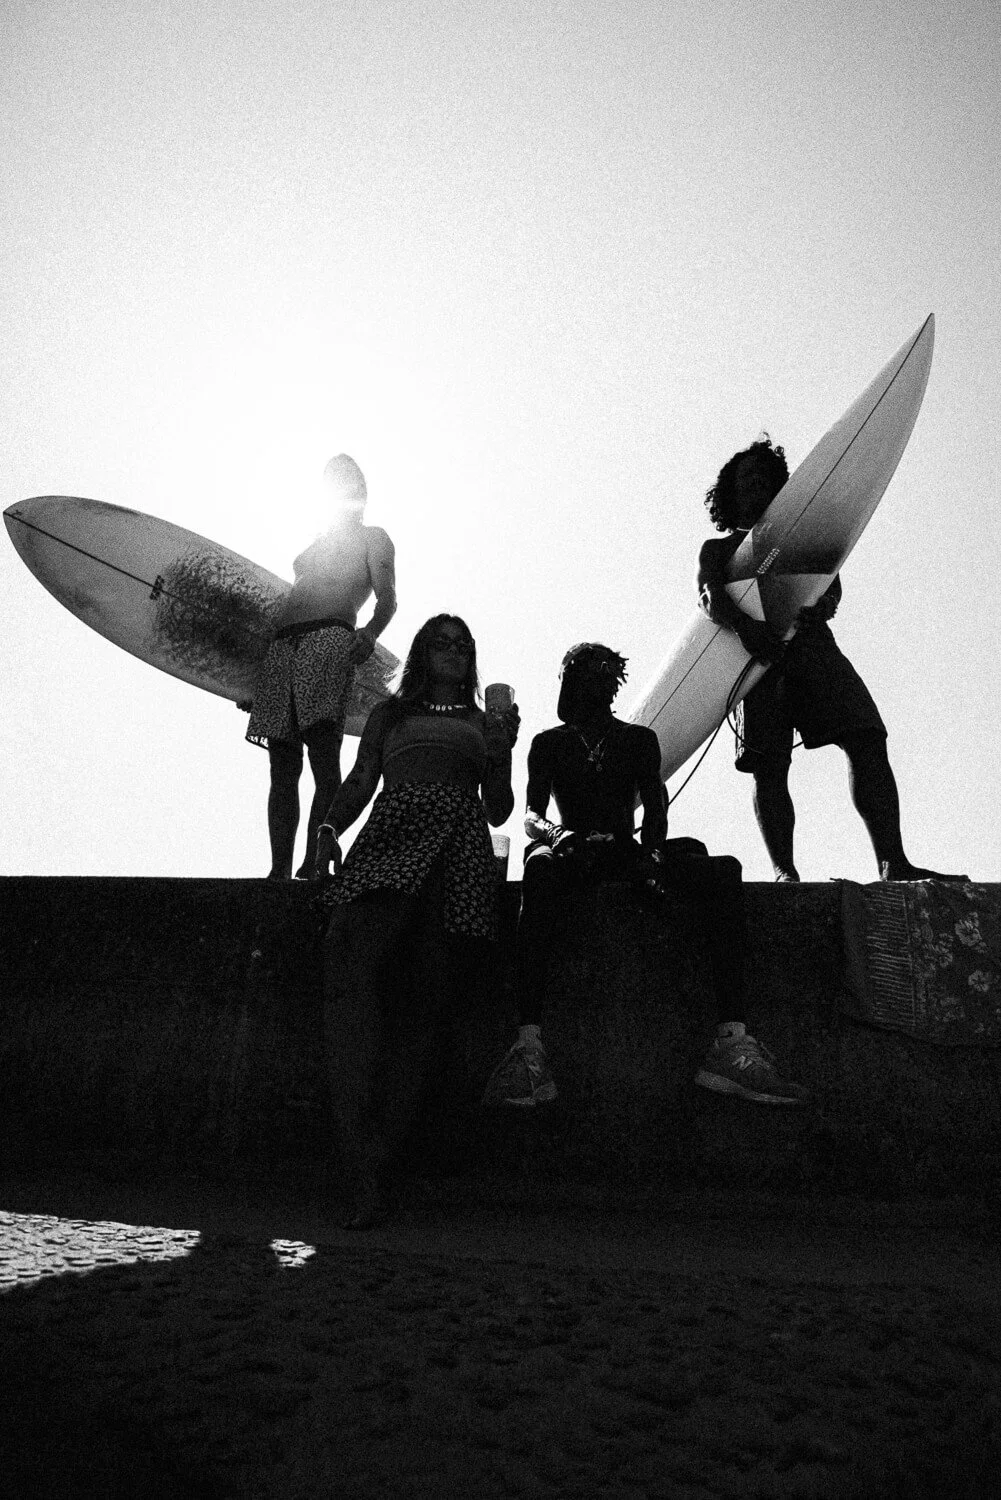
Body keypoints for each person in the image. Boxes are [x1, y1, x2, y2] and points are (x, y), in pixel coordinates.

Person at [482, 642, 804, 1111]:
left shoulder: (637, 740)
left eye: (602, 673)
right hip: (569, 851)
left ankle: (731, 1042)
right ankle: (528, 1047)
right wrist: (558, 834)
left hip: (625, 851)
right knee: (539, 867)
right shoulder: (549, 743)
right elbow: (531, 815)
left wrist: (651, 856)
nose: (593, 682)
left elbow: (656, 806)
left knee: (722, 870)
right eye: (582, 674)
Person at [313, 614, 519, 1228]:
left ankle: (377, 1164)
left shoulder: (482, 722)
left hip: (457, 848)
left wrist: (502, 749)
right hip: (393, 833)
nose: (453, 652)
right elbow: (361, 778)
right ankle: (355, 1147)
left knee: (426, 1004)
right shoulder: (390, 715)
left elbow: (499, 809)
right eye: (441, 642)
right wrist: (328, 828)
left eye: (463, 645)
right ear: (421, 652)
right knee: (351, 967)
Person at [697, 436, 963, 883]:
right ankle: (785, 871)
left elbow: (829, 584)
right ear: (731, 491)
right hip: (756, 662)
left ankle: (893, 862)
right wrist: (747, 629)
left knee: (867, 736)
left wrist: (823, 605)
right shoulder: (717, 550)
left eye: (765, 477)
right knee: (769, 766)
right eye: (747, 478)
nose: (757, 484)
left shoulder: (801, 538)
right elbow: (709, 597)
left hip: (813, 650)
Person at [245, 455, 397, 880]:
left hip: (330, 637)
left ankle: (314, 863)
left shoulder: (373, 537)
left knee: (323, 753)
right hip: (282, 645)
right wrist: (245, 677)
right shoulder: (312, 544)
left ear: (361, 492)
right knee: (281, 763)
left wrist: (370, 633)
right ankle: (278, 869)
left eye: (347, 481)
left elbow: (388, 598)